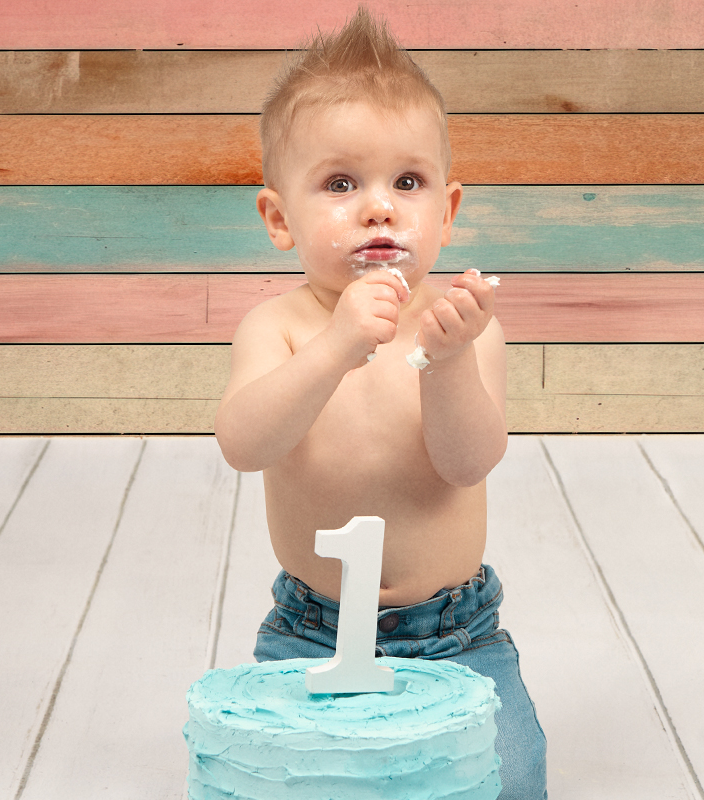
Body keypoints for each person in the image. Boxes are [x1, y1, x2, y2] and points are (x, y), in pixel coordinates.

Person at [214, 8, 547, 797]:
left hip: (455, 633)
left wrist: (447, 361)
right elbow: (243, 444)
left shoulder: (462, 327)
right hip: (312, 630)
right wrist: (335, 346)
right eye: (340, 183)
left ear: (448, 209)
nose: (379, 207)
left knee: (512, 778)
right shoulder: (280, 327)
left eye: (408, 181)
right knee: (289, 779)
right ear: (277, 219)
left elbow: (468, 463)